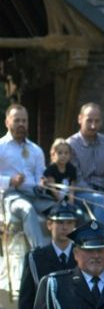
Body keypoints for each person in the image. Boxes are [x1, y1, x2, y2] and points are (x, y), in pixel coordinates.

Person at [0, 104, 52, 248]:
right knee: (27, 209)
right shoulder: (1, 147)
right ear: (7, 122)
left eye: (24, 121)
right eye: (17, 121)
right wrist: (10, 181)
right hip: (11, 196)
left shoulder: (36, 150)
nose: (21, 124)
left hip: (34, 195)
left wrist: (42, 183)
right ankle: (39, 254)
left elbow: (39, 176)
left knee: (61, 210)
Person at [67, 103, 104, 227]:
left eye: (97, 121)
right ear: (80, 119)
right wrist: (101, 194)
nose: (93, 126)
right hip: (81, 194)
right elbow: (76, 180)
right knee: (99, 200)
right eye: (89, 121)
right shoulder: (71, 145)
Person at [42, 138, 79, 204]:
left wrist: (71, 201)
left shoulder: (72, 169)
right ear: (53, 154)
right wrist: (62, 203)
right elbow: (53, 190)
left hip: (66, 200)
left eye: (66, 153)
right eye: (60, 153)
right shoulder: (51, 170)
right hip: (52, 200)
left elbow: (71, 188)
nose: (63, 156)